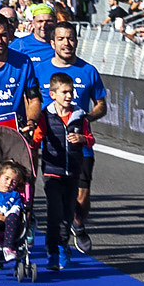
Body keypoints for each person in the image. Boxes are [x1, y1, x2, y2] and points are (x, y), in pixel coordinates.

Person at [45, 20, 107, 251]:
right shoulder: (39, 68)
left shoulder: (88, 70)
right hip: (51, 145)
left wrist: (86, 120)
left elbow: (102, 105)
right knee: (57, 195)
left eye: (70, 38)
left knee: (82, 196)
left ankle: (78, 225)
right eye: (61, 39)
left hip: (80, 145)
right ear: (52, 43)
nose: (66, 43)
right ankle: (59, 238)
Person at [35, 70, 94, 271]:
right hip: (52, 172)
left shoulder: (79, 116)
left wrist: (82, 139)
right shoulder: (46, 116)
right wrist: (30, 140)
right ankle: (53, 251)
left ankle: (63, 245)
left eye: (71, 92)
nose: (69, 96)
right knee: (55, 213)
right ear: (53, 94)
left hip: (73, 173)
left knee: (69, 214)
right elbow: (37, 138)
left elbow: (91, 139)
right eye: (65, 92)